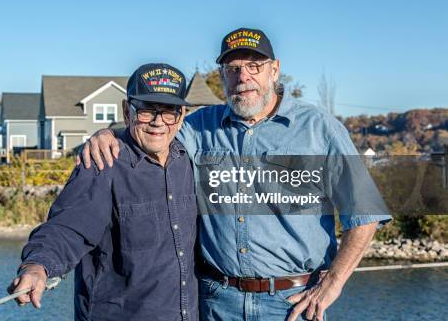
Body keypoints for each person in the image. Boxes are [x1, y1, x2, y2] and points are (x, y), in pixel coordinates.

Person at [80, 27, 392, 321]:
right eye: (232, 68)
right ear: (223, 76)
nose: (243, 76)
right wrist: (110, 134)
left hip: (292, 304)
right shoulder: (200, 127)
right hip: (218, 302)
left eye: (254, 65)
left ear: (275, 69)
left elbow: (365, 214)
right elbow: (155, 129)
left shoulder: (319, 129)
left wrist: (332, 283)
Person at [8, 63, 199, 321]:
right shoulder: (103, 163)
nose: (157, 122)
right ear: (126, 111)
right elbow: (67, 228)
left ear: (182, 114)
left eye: (168, 112)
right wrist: (38, 266)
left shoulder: (189, 161)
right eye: (146, 111)